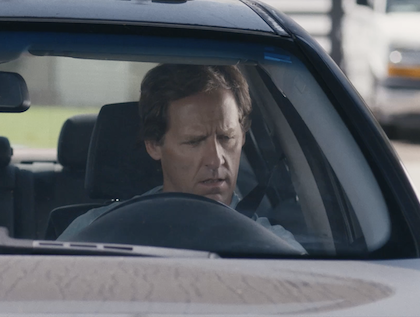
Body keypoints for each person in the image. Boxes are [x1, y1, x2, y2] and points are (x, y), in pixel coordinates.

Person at [57, 64, 304, 252]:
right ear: (154, 145)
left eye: (226, 138)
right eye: (194, 141)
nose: (216, 160)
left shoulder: (277, 249)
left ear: (242, 137)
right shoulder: (91, 235)